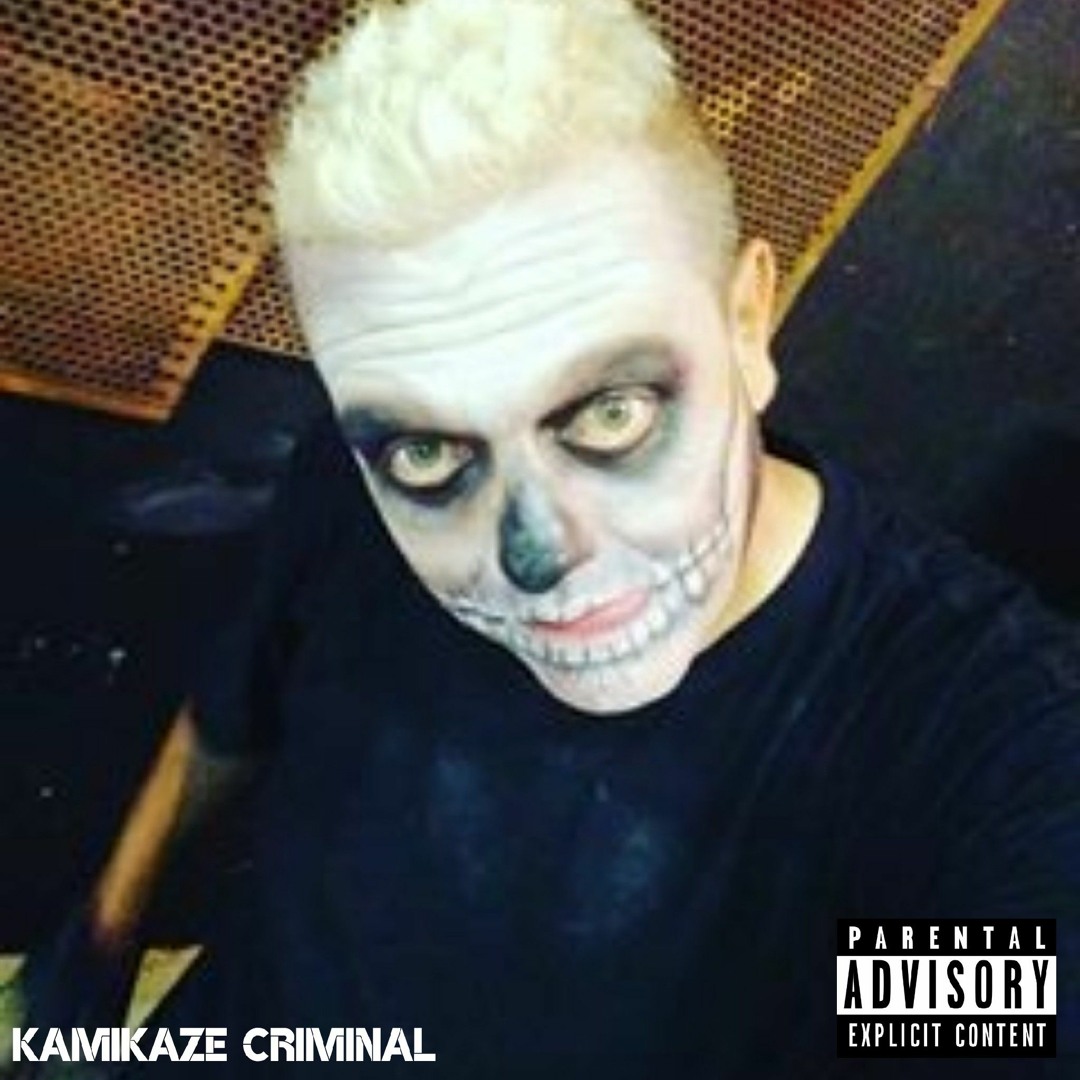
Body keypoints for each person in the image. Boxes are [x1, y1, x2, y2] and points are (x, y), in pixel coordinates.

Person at [7, 0, 1079, 1076]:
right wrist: (95, 945)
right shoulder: (359, 466)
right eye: (431, 453)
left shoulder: (974, 750)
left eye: (612, 414)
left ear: (747, 323)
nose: (536, 554)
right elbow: (233, 708)